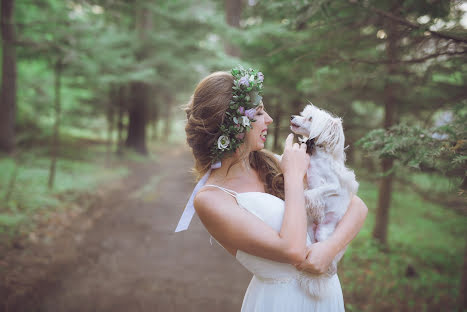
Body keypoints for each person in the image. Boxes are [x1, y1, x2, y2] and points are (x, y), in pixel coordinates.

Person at [175, 68, 368, 311]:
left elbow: (356, 206)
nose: (269, 119)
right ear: (234, 124)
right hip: (280, 302)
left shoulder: (271, 163)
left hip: (326, 298)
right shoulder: (211, 199)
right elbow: (293, 250)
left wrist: (330, 248)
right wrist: (295, 177)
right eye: (259, 112)